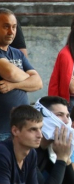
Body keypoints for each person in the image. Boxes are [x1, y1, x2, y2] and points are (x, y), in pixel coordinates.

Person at [0, 8, 43, 141]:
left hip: (21, 130)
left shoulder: (17, 53)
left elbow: (39, 83)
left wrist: (12, 86)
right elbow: (11, 73)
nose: (11, 32)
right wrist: (29, 78)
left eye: (14, 27)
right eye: (6, 26)